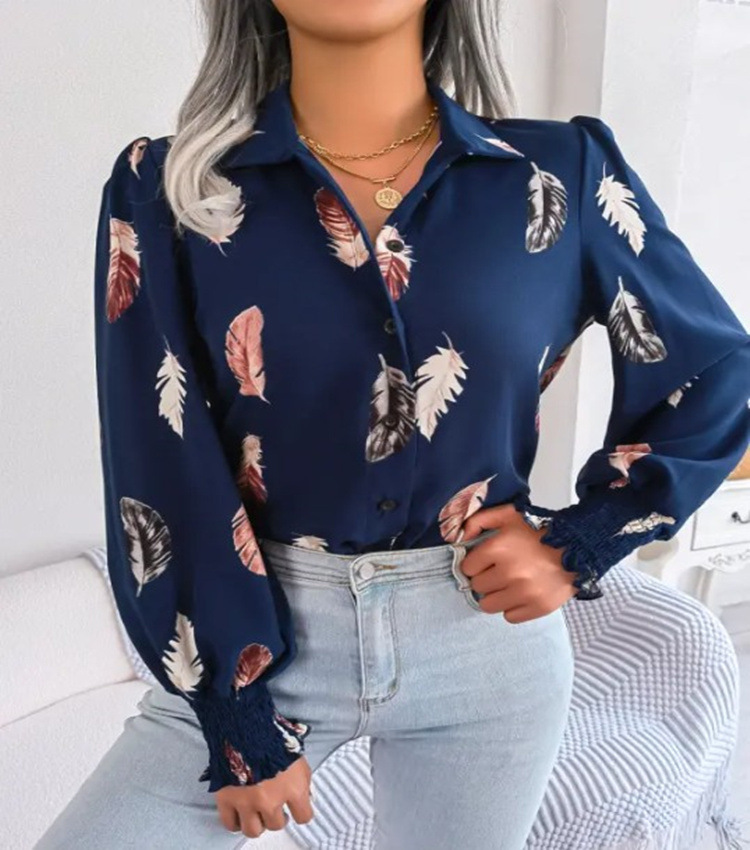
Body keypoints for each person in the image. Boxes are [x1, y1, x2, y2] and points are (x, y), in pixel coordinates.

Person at [36, 1, 750, 848]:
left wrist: (582, 539)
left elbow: (715, 371)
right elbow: (159, 448)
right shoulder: (169, 188)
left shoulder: (556, 173)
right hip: (266, 632)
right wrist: (234, 711)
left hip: (484, 644)